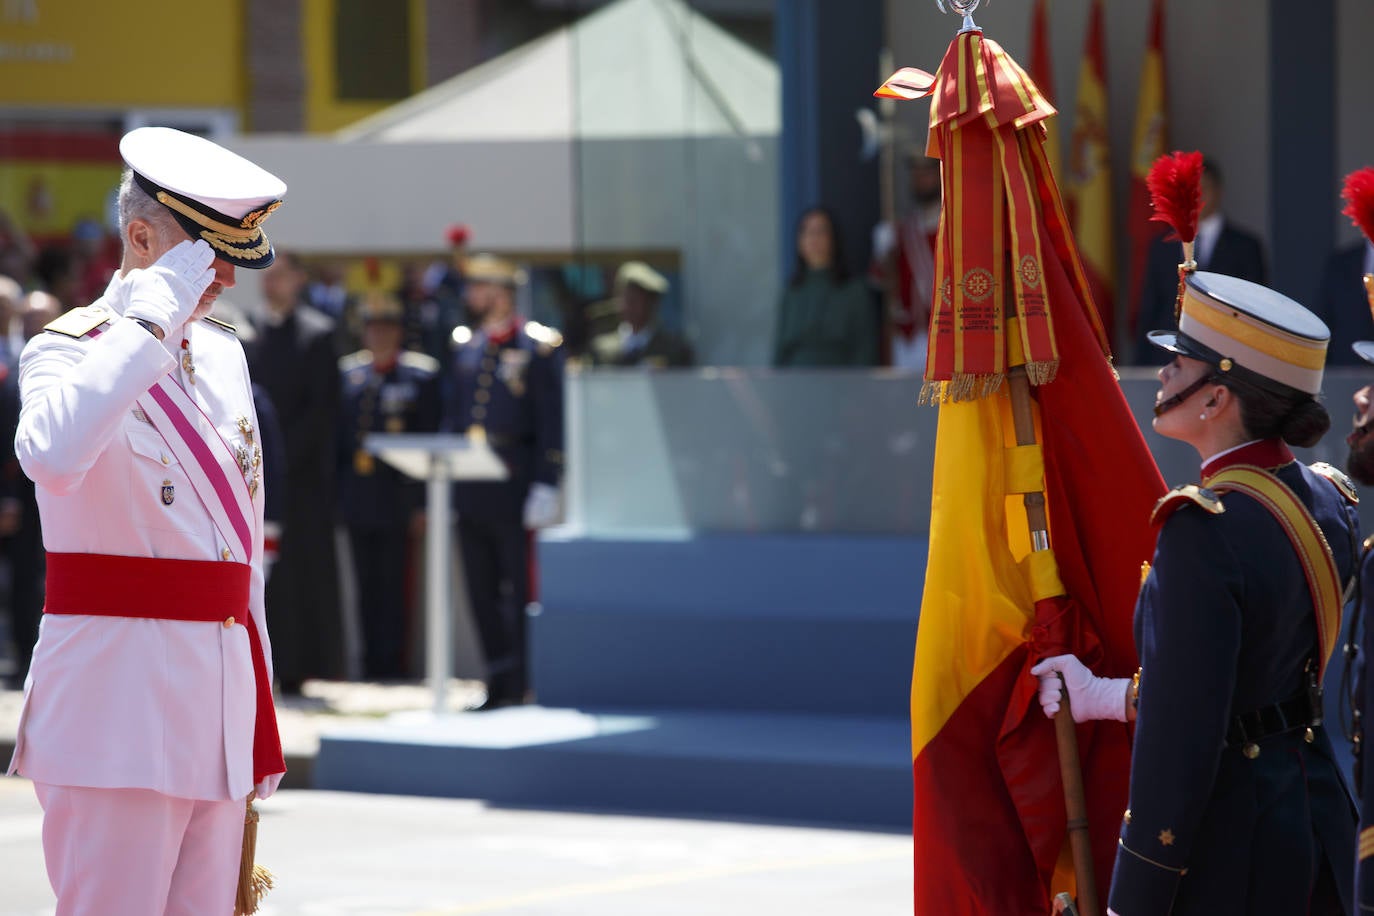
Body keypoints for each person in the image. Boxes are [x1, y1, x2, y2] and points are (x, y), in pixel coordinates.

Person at [6, 126, 286, 913]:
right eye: (210, 255)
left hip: (218, 709)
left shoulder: (226, 355)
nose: (227, 277)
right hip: (115, 714)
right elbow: (53, 456)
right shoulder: (67, 350)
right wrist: (148, 320)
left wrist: (258, 712)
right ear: (140, 238)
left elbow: (240, 560)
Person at [1033, 271, 1358, 915]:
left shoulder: (1202, 530)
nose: (1162, 377)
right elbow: (1251, 681)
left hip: (1233, 852)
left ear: (1216, 399)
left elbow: (1181, 740)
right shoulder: (1331, 499)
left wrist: (1138, 894)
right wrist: (1110, 697)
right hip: (1318, 825)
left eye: (1178, 364)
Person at [442, 254, 564, 709]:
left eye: (479, 287)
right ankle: (496, 678)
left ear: (501, 291)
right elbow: (455, 417)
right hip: (470, 486)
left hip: (515, 482)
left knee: (518, 589)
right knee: (480, 587)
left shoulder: (539, 347)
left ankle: (522, 681)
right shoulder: (468, 347)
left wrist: (548, 480)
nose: (472, 296)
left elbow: (551, 419)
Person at [246, 250, 344, 693]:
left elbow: (323, 412)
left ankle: (302, 666)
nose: (272, 284)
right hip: (253, 476)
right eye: (267, 276)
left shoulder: (318, 335)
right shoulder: (247, 333)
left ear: (300, 279)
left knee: (301, 575)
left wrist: (280, 457)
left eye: (281, 276)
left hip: (301, 481)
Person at [338, 292, 441, 680]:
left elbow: (431, 438)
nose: (378, 336)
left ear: (398, 333)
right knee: (365, 587)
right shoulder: (350, 373)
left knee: (396, 586)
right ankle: (368, 663)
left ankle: (394, 663)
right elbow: (340, 441)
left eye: (386, 329)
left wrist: (423, 504)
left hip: (398, 499)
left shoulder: (419, 376)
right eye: (372, 328)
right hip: (359, 498)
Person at [1134, 159, 1267, 364]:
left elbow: (1255, 313)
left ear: (1218, 190)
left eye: (1203, 189)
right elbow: (1150, 311)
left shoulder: (1245, 247)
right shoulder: (1161, 247)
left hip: (1226, 362)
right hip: (1169, 362)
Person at [773, 206, 878, 367]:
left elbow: (865, 351)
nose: (813, 238)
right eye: (807, 232)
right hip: (795, 385)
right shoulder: (791, 292)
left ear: (834, 239)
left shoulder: (854, 291)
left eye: (820, 231)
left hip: (842, 384)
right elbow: (779, 353)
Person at [870, 153, 942, 370]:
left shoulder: (954, 228)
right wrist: (882, 251)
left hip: (945, 333)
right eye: (915, 173)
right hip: (908, 338)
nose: (920, 179)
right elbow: (879, 281)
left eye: (926, 172)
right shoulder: (901, 231)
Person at [589, 261, 694, 367]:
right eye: (626, 299)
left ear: (652, 304)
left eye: (635, 301)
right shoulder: (602, 348)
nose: (629, 307)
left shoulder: (673, 349)